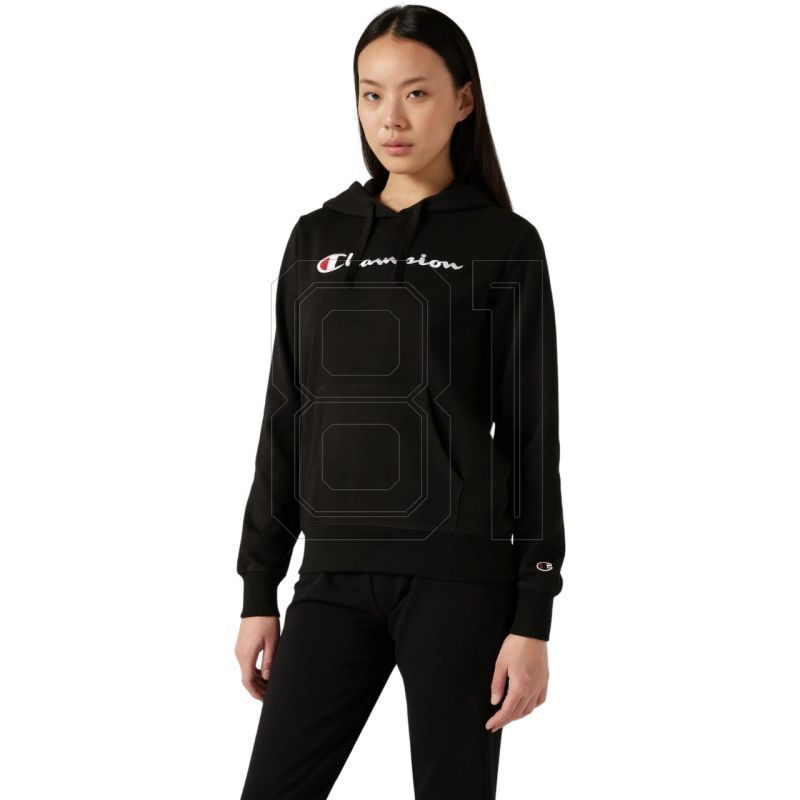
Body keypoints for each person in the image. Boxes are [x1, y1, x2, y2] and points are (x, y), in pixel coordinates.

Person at [234, 6, 566, 799]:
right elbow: (286, 415)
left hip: (461, 582)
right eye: (371, 94)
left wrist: (533, 615)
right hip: (333, 576)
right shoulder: (315, 237)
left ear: (463, 100)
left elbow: (532, 435)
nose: (391, 117)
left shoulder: (505, 244)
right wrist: (258, 588)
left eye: (416, 93)